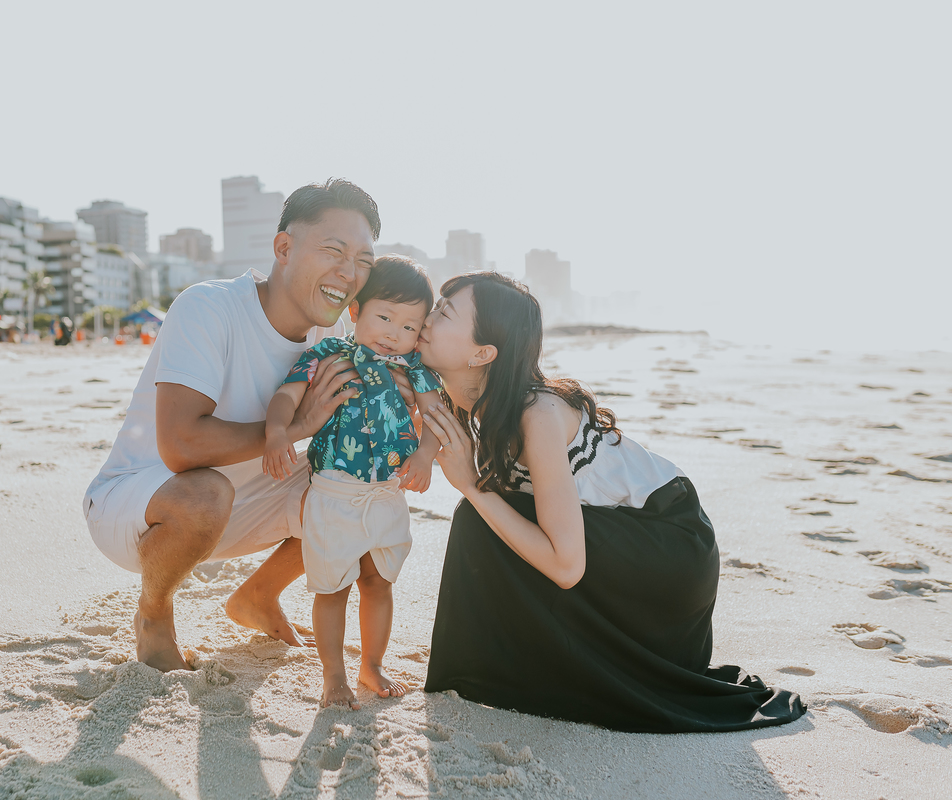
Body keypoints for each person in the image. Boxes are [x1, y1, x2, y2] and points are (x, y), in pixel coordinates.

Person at [417, 272, 807, 733]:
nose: (428, 316)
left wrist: (471, 486)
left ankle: (505, 670)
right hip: (627, 549)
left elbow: (567, 566)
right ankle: (494, 665)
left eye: (444, 311)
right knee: (487, 519)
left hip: (670, 554)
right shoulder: (472, 400)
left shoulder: (535, 415)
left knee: (479, 514)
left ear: (483, 353)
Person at [84, 179, 399, 673]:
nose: (349, 272)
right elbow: (181, 446)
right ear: (284, 248)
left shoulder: (333, 333)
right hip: (145, 506)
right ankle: (153, 615)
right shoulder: (210, 307)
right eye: (334, 251)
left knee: (359, 483)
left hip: (250, 503)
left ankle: (258, 594)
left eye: (364, 260)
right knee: (206, 493)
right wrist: (294, 426)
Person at [263, 256, 442, 709]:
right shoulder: (326, 354)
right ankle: (333, 677)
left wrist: (425, 453)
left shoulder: (414, 368)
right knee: (332, 588)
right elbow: (287, 395)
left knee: (378, 582)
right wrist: (277, 431)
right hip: (333, 494)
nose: (392, 333)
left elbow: (436, 416)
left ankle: (372, 664)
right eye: (384, 317)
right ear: (356, 310)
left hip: (386, 494)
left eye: (408, 326)